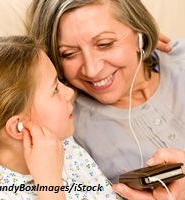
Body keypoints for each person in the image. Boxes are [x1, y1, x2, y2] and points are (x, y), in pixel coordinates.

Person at [28, 0, 185, 199]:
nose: (92, 70)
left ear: (139, 34)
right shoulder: (64, 125)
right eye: (68, 54)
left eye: (105, 44)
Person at [0, 36, 121, 200]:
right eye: (55, 89)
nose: (69, 93)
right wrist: (50, 184)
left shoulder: (63, 142)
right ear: (19, 126)